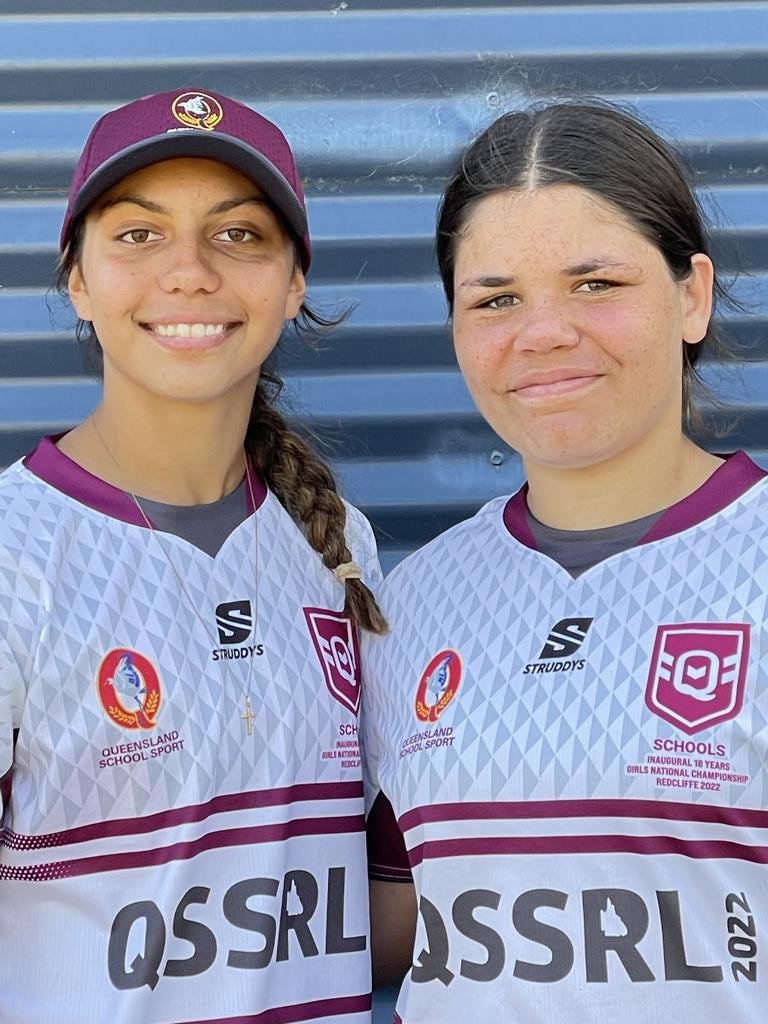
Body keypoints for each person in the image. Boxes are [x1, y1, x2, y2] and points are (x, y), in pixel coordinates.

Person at [362, 100, 767, 1022]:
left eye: (595, 284)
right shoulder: (417, 601)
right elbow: (389, 918)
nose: (541, 332)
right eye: (496, 298)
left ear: (692, 295)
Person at [0, 88, 386, 1023]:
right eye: (138, 236)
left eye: (239, 235)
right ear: (78, 281)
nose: (190, 273)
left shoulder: (338, 541)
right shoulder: (16, 553)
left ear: (294, 281)